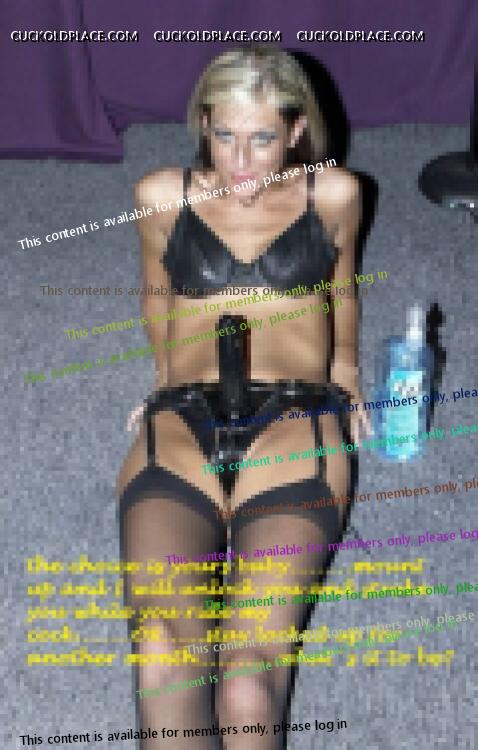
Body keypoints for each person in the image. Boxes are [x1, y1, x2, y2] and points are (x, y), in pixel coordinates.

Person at [117, 45, 370, 749]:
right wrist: (162, 381)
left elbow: (343, 286)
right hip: (184, 417)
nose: (240, 161)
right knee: (162, 652)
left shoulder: (333, 194)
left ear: (295, 131)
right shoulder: (161, 196)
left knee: (246, 679)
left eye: (261, 138)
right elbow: (157, 295)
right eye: (224, 134)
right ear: (203, 124)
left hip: (296, 417)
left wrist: (346, 370)